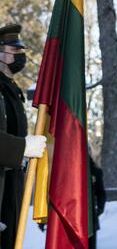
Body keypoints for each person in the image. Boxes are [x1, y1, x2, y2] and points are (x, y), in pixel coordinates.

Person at [0, 23, 46, 248]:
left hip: (10, 184)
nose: (20, 55)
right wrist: (22, 147)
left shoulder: (11, 88)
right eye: (14, 50)